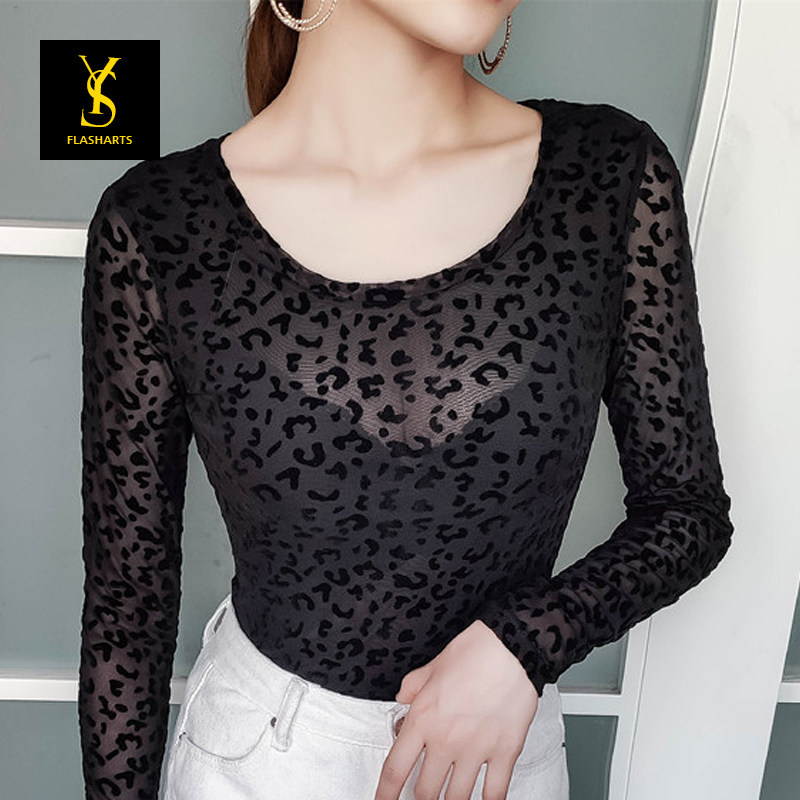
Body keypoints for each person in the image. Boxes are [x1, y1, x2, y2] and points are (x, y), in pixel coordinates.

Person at [77, 1, 735, 799]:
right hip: (262, 759)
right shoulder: (161, 223)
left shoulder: (605, 174)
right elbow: (127, 608)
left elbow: (687, 509)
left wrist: (525, 643)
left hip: (501, 758)